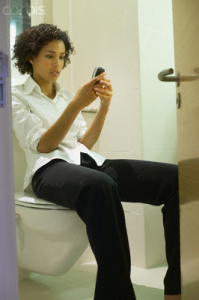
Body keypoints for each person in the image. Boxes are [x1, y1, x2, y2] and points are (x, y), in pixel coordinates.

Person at [12, 23, 181, 300]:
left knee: (178, 180)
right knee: (100, 185)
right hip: (48, 170)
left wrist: (103, 107)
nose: (58, 63)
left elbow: (83, 144)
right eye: (49, 55)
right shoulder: (17, 95)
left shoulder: (65, 95)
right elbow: (44, 144)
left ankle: (177, 286)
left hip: (85, 161)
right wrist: (77, 104)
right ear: (31, 56)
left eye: (62, 56)